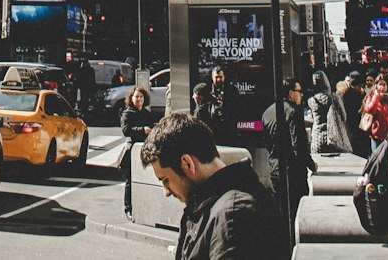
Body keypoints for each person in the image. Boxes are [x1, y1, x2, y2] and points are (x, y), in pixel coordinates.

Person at [140, 111, 289, 260]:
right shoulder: (221, 206)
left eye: (165, 179)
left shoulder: (232, 215)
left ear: (187, 163)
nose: (165, 192)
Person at [262, 78, 316, 227]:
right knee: (298, 214)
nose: (302, 95)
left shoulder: (267, 112)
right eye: (299, 91)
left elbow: (266, 143)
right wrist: (311, 165)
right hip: (293, 173)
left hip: (275, 170)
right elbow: (298, 146)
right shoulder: (293, 112)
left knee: (281, 212)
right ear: (291, 93)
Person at [120, 86, 153, 216]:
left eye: (141, 97)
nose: (139, 99)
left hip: (145, 148)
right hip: (132, 149)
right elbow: (126, 130)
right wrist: (142, 130)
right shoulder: (127, 113)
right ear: (131, 98)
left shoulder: (146, 113)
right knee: (130, 179)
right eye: (136, 97)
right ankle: (128, 208)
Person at [307, 70, 351, 156]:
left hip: (317, 138)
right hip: (334, 137)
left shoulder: (311, 100)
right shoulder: (334, 97)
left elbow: (312, 117)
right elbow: (344, 117)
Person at [195, 63, 237, 145]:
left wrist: (224, 106)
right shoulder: (206, 90)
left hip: (227, 129)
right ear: (212, 77)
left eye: (220, 77)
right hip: (211, 129)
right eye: (216, 77)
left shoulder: (232, 90)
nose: (218, 80)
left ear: (224, 77)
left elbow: (237, 108)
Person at [363, 71, 388, 150]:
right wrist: (377, 96)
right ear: (376, 85)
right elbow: (370, 110)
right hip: (376, 134)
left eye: (384, 85)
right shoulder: (371, 96)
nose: (382, 87)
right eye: (380, 84)